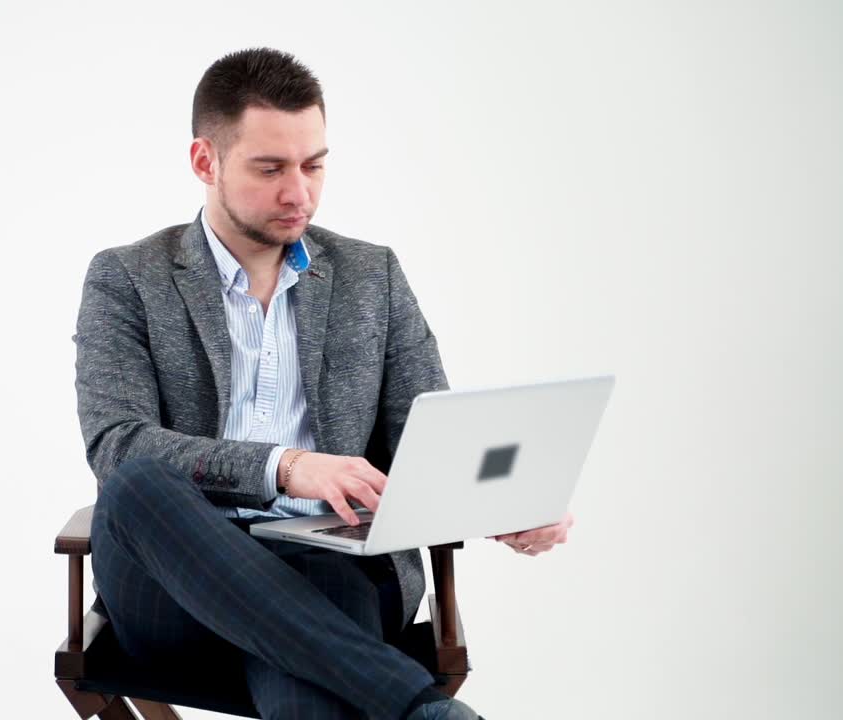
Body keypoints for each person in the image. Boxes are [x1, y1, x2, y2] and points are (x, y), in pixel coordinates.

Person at [73, 47, 572, 720]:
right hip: (173, 591)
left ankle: (409, 706)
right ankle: (418, 705)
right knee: (136, 485)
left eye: (314, 165)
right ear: (204, 162)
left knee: (312, 694)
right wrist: (287, 468)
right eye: (270, 168)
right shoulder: (127, 279)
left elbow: (431, 443)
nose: (298, 192)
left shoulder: (372, 277)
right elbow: (118, 446)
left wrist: (508, 501)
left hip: (326, 568)